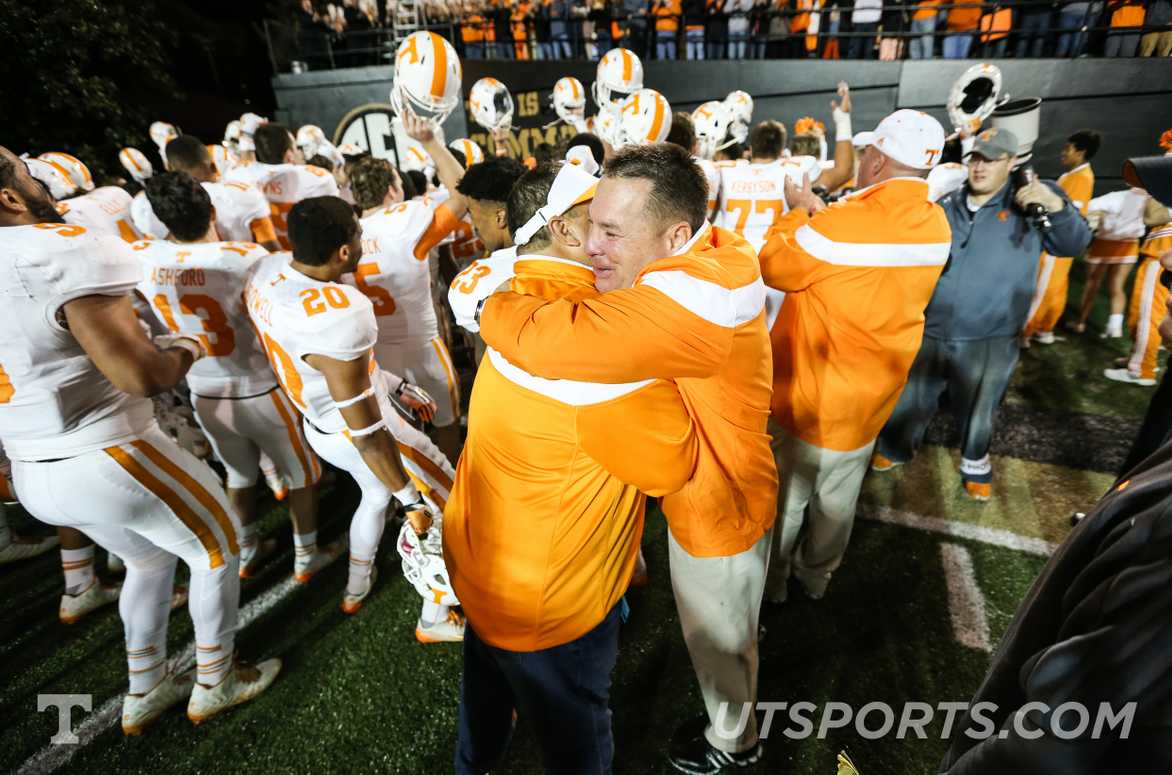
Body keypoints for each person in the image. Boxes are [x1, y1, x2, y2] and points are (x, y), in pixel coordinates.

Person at [479, 143, 776, 774]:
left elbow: (554, 338)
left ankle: (737, 746)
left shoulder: (688, 298)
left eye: (612, 232)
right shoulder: (707, 257)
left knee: (717, 641)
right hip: (725, 484)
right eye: (593, 227)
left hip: (717, 500)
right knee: (727, 629)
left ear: (676, 234)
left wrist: (491, 303)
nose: (592, 248)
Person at [0, 147, 280, 732]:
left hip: (32, 464)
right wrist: (187, 346)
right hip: (105, 448)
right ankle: (216, 679)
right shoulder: (57, 250)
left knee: (147, 559)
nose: (35, 176)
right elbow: (143, 375)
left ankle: (146, 685)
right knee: (218, 545)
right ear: (8, 197)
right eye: (23, 171)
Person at [445, 160, 698, 775]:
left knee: (482, 715)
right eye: (605, 222)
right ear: (562, 229)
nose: (618, 232)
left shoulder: (507, 291)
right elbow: (673, 464)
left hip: (483, 566)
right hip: (549, 600)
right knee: (578, 747)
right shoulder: (597, 339)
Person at [244, 195, 465, 641]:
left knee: (371, 496)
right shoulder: (341, 312)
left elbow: (326, 368)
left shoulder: (266, 273)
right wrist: (410, 498)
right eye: (358, 234)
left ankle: (356, 586)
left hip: (320, 426)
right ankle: (435, 617)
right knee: (447, 507)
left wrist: (393, 383)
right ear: (343, 252)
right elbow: (369, 435)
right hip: (370, 434)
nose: (364, 239)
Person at [757, 110, 951, 604]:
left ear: (879, 161)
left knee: (787, 503)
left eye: (868, 153)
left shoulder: (842, 224)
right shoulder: (936, 224)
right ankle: (816, 577)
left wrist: (798, 210)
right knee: (838, 501)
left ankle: (775, 583)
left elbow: (774, 265)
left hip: (814, 394)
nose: (864, 159)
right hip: (875, 395)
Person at [873, 128, 1092, 501]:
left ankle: (975, 460)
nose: (980, 166)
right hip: (931, 328)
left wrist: (1056, 206)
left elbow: (1073, 243)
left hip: (991, 334)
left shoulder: (1032, 202)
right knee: (913, 397)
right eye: (976, 157)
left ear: (1011, 162)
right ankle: (895, 446)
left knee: (979, 407)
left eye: (991, 159)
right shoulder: (946, 202)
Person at [135, 171, 328, 581]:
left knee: (239, 475)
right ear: (212, 211)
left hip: (205, 391)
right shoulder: (245, 257)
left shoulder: (144, 258)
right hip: (261, 389)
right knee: (300, 474)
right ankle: (307, 556)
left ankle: (247, 550)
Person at [340, 118, 469, 466]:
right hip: (422, 346)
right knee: (446, 424)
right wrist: (429, 141)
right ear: (390, 190)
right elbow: (462, 195)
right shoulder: (407, 218)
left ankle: (418, 501)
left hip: (376, 353)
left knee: (403, 431)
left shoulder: (343, 233)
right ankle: (451, 492)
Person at [131, 135, 281, 252]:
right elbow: (271, 251)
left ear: (169, 168)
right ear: (213, 166)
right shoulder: (241, 193)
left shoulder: (146, 203)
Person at [1022, 129, 1100, 346]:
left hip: (1058, 239)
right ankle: (1044, 329)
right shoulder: (1075, 175)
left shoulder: (1081, 177)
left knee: (1044, 286)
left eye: (1068, 148)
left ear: (1081, 152)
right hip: (1064, 241)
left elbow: (1070, 212)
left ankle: (1024, 333)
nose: (1063, 152)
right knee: (1056, 287)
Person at [226, 117, 339, 249]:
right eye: (296, 148)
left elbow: (246, 165)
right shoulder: (316, 177)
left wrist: (247, 137)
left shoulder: (237, 174)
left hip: (266, 257)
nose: (299, 152)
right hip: (308, 255)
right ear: (289, 155)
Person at [1104, 197, 1172, 385]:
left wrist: (1155, 190)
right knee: (1151, 316)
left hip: (1161, 260)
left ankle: (1141, 370)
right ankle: (1141, 359)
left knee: (1147, 317)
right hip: (1161, 258)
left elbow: (1151, 217)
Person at [1072, 186, 1149, 338]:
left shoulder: (1115, 196)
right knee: (1117, 286)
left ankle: (1080, 322)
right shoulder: (1152, 198)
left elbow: (1091, 207)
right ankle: (1115, 327)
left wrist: (1098, 216)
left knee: (1092, 284)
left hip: (1105, 243)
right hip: (1129, 244)